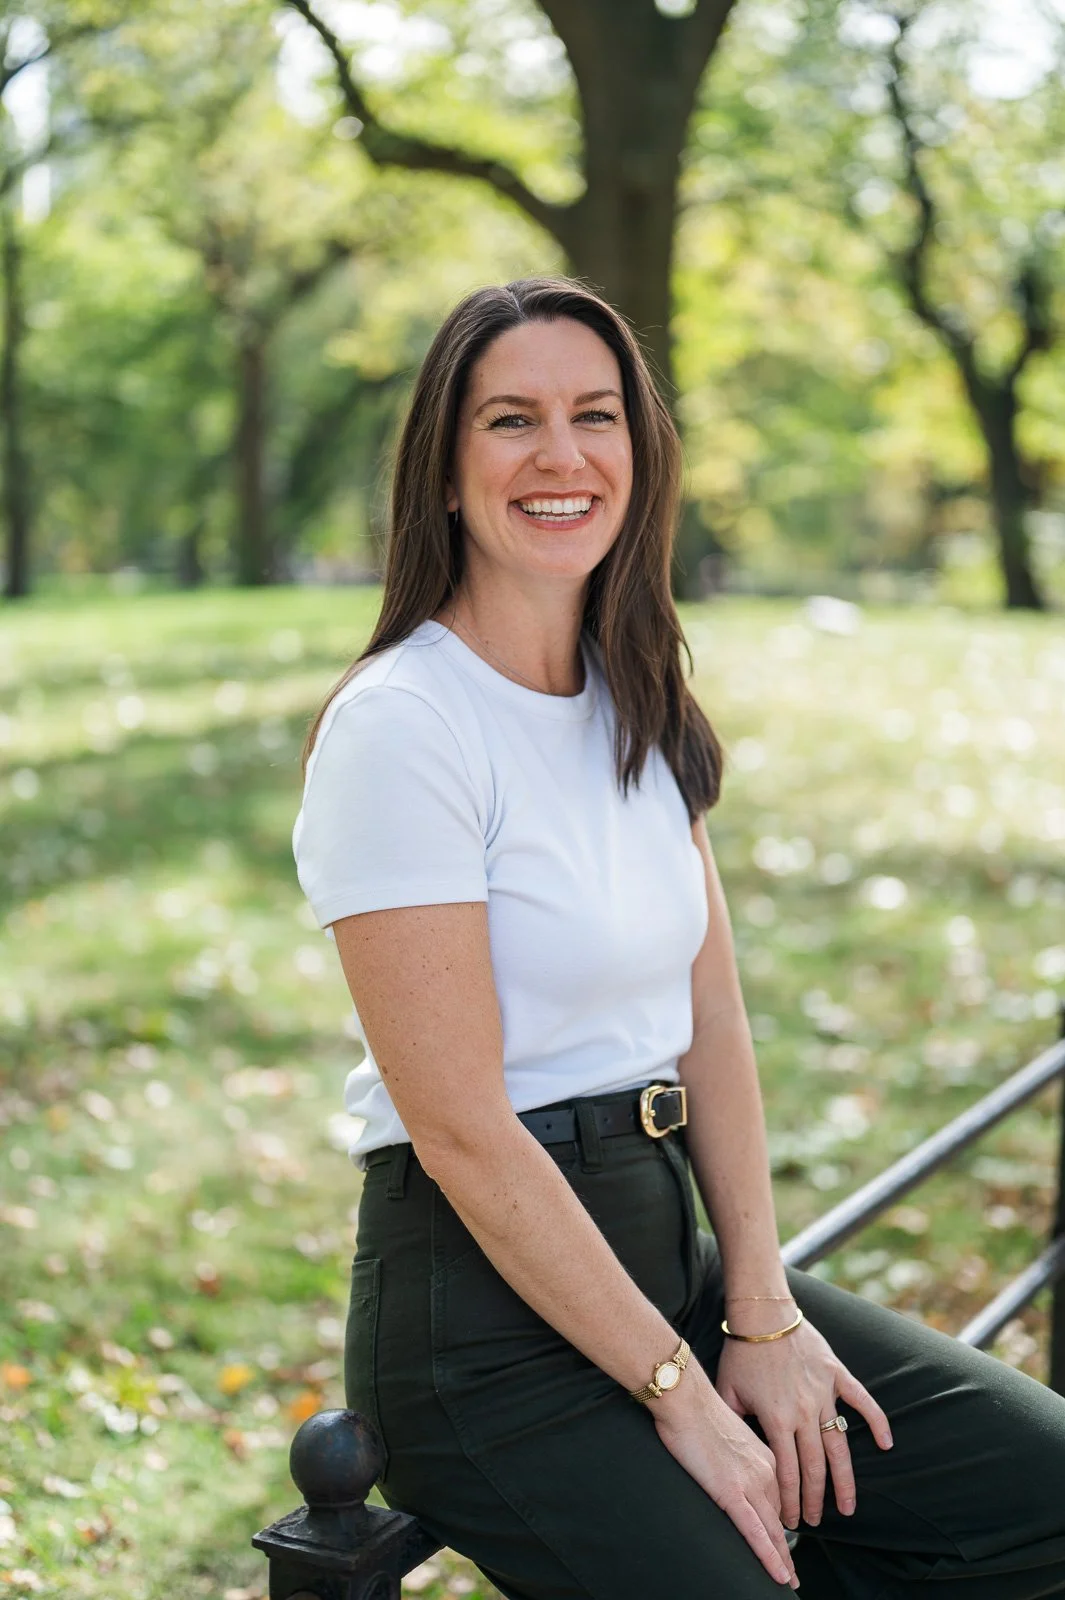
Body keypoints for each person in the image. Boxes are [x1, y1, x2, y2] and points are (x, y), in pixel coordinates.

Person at [291, 276, 1065, 1600]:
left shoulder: (638, 690)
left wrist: (759, 1314)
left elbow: (711, 1024)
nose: (561, 456)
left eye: (597, 416)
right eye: (510, 421)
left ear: (641, 456)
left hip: (670, 1260)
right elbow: (467, 1131)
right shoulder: (406, 725)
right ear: (444, 460)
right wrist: (680, 1394)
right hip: (484, 1338)